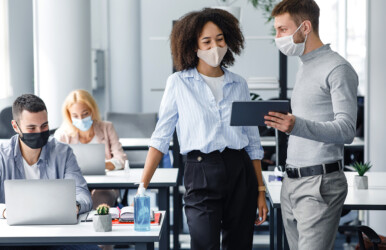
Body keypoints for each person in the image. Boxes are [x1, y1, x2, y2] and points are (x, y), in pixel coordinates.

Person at [140, 8, 268, 250]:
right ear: (193, 45)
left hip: (239, 169)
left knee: (239, 245)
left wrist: (261, 190)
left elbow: (252, 142)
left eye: (220, 39)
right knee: (203, 244)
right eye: (206, 41)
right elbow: (160, 137)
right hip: (200, 170)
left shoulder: (238, 84)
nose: (215, 46)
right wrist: (142, 185)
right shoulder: (178, 83)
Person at [265, 0, 358, 249]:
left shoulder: (337, 68)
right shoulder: (305, 66)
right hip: (292, 181)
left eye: (283, 30)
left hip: (320, 184)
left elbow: (347, 129)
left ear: (305, 27)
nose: (278, 37)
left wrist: (297, 125)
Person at [0, 94, 97, 250]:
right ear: (15, 126)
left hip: (56, 234)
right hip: (11, 237)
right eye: (31, 128)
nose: (39, 132)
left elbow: (82, 193)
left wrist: (75, 206)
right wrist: (5, 211)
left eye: (44, 126)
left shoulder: (63, 153)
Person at [54, 89, 127, 209]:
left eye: (85, 114)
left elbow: (121, 158)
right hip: (74, 186)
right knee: (73, 201)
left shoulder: (106, 128)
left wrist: (105, 165)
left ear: (92, 111)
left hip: (104, 186)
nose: (81, 119)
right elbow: (56, 165)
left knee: (102, 198)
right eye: (75, 116)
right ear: (69, 115)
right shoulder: (62, 135)